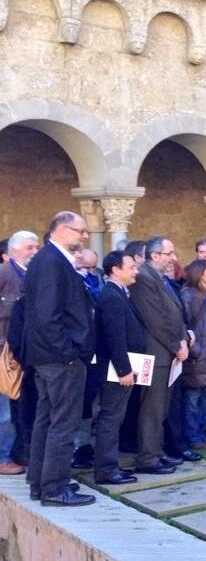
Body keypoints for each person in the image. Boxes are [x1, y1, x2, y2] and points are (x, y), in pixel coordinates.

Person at [23, 212, 96, 506]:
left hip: (49, 357)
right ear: (63, 230)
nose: (85, 236)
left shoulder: (51, 260)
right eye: (81, 231)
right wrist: (68, 352)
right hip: (59, 359)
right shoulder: (52, 262)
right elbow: (47, 315)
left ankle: (40, 482)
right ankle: (54, 487)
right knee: (63, 423)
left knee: (47, 419)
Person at [130, 236, 191, 473]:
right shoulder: (144, 277)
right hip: (155, 353)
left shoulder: (159, 277)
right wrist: (177, 344)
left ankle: (156, 451)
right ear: (155, 255)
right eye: (169, 253)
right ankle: (148, 458)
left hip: (167, 352)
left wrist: (183, 338)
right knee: (152, 408)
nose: (174, 258)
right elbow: (155, 318)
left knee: (162, 407)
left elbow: (174, 313)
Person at [92, 251, 146, 486]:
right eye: (131, 267)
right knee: (111, 417)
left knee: (116, 416)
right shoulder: (111, 296)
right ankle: (106, 469)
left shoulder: (120, 294)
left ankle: (110, 465)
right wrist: (123, 369)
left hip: (123, 366)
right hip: (116, 369)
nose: (136, 271)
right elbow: (115, 336)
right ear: (115, 269)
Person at [0, 230, 38, 475]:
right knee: (3, 411)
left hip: (21, 354)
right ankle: (3, 459)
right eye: (29, 247)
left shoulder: (30, 275)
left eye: (36, 247)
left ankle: (17, 453)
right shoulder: (4, 274)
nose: (35, 252)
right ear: (13, 250)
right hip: (4, 354)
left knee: (18, 409)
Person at [179, 260, 206, 451]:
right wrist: (195, 349)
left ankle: (203, 432)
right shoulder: (188, 296)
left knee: (204, 396)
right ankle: (192, 436)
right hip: (197, 355)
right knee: (192, 398)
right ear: (200, 274)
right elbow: (185, 325)